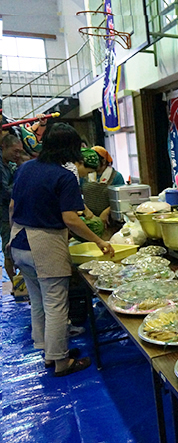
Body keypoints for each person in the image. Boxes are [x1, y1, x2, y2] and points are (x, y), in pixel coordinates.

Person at [9, 123, 114, 377]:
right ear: (70, 148)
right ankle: (61, 361)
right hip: (44, 244)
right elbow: (71, 219)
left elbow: (12, 206)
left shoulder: (26, 168)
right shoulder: (64, 176)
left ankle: (48, 351)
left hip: (18, 241)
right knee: (56, 303)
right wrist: (99, 241)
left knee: (38, 301)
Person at [80, 146, 125, 230]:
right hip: (90, 219)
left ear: (103, 161)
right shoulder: (85, 175)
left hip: (111, 221)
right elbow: (77, 194)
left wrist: (107, 212)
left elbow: (121, 198)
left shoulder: (116, 176)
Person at [0, 134, 24, 279]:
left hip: (12, 211)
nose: (18, 155)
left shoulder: (9, 164)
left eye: (20, 152)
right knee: (8, 248)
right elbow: (5, 192)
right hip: (3, 213)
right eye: (15, 151)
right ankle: (15, 284)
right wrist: (21, 184)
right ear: (4, 147)